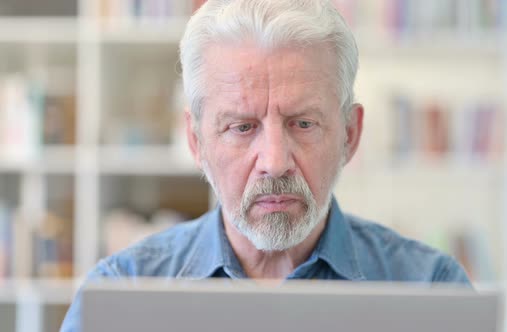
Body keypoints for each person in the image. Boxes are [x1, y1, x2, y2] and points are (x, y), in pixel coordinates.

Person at [60, 1, 470, 331]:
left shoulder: (430, 288)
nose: (274, 163)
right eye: (241, 127)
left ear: (350, 134)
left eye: (304, 123)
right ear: (196, 141)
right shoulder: (123, 292)